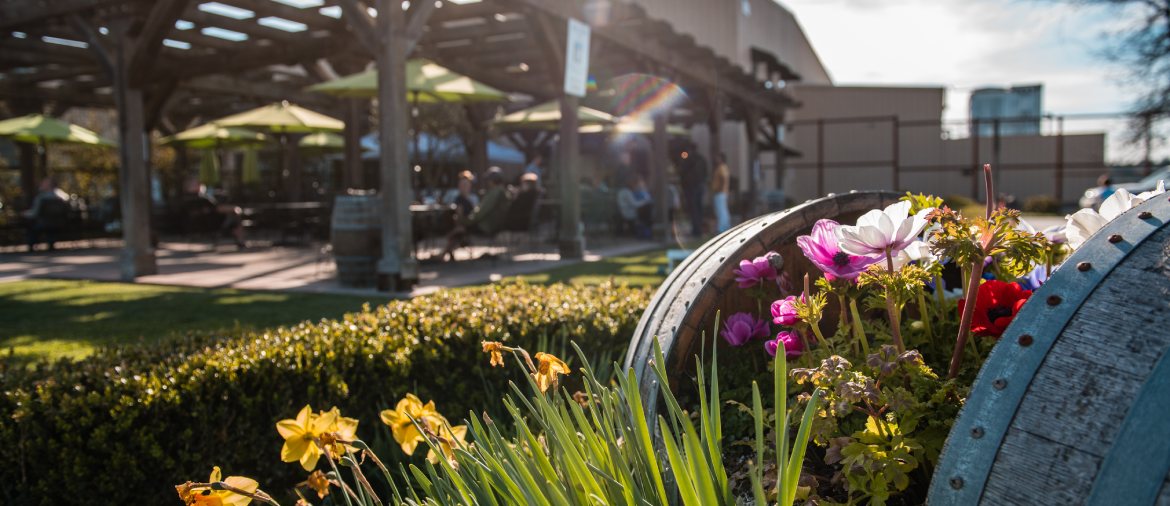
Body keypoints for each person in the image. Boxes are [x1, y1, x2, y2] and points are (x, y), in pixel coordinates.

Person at [442, 167, 509, 261]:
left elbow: (480, 213)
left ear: (492, 181)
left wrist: (465, 220)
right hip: (491, 225)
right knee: (459, 228)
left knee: (459, 228)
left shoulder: (495, 193)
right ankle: (446, 252)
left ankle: (444, 253)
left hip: (486, 226)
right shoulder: (502, 192)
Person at [22, 177, 70, 252]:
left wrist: (24, 214)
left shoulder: (41, 197)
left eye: (44, 183)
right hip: (60, 222)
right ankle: (50, 243)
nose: (41, 185)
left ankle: (31, 245)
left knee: (31, 226)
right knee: (48, 227)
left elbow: (34, 213)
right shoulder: (63, 196)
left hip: (44, 223)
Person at [677, 144, 708, 238]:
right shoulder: (702, 159)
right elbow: (706, 172)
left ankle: (696, 230)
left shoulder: (688, 160)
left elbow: (682, 173)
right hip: (700, 185)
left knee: (694, 209)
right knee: (699, 209)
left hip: (691, 187)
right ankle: (698, 230)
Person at [617, 174, 653, 239]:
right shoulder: (626, 192)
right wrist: (645, 201)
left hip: (627, 211)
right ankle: (645, 233)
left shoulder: (623, 191)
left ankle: (645, 232)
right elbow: (635, 204)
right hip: (628, 213)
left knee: (646, 213)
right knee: (646, 214)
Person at [710, 153, 731, 233]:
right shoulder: (721, 167)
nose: (716, 159)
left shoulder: (722, 168)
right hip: (721, 192)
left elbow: (723, 178)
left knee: (721, 210)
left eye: (718, 158)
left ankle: (722, 227)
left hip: (720, 192)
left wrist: (720, 188)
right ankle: (725, 226)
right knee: (722, 209)